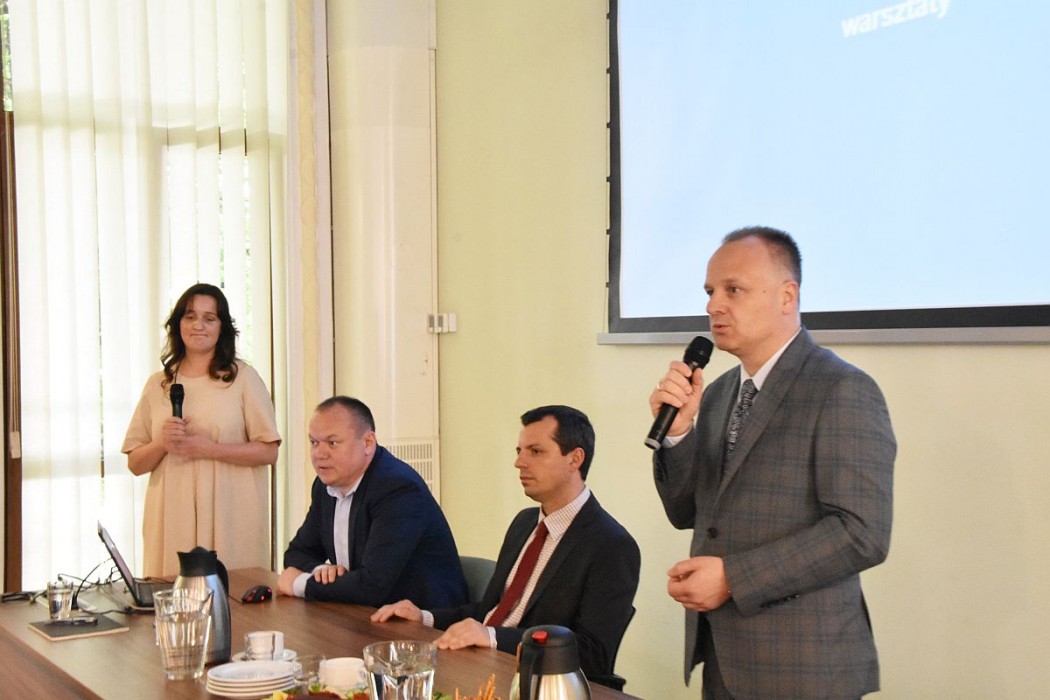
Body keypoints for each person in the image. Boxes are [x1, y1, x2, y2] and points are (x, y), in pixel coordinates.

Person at [648, 227, 896, 700]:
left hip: (803, 667)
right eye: (710, 292)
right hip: (724, 656)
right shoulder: (719, 394)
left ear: (787, 296)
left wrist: (732, 578)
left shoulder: (841, 389)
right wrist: (677, 433)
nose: (714, 306)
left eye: (733, 290)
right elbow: (686, 512)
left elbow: (862, 533)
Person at [371, 405, 641, 687]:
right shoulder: (524, 523)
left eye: (535, 451)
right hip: (484, 666)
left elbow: (594, 653)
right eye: (519, 451)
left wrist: (492, 637)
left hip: (539, 683)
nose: (519, 462)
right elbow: (490, 613)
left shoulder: (612, 545)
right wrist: (424, 617)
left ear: (575, 459)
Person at [123, 283, 281, 578]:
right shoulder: (158, 384)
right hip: (172, 517)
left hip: (230, 516)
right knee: (172, 596)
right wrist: (162, 443)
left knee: (232, 594)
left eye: (209, 318)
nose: (199, 325)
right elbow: (135, 463)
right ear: (178, 324)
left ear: (222, 328)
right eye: (190, 316)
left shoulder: (243, 378)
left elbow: (269, 451)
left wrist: (212, 449)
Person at [278, 396, 468, 609]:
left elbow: (372, 586)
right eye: (314, 442)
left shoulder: (398, 489)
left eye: (332, 443)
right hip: (363, 613)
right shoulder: (325, 486)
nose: (319, 454)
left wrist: (301, 584)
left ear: (368, 443)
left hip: (421, 620)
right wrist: (321, 571)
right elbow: (297, 554)